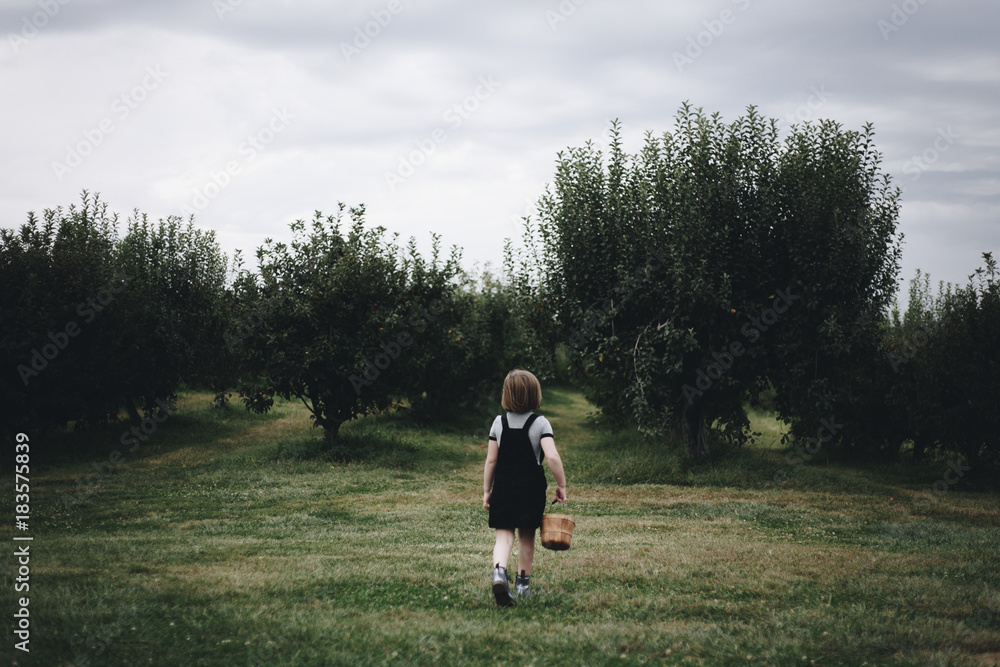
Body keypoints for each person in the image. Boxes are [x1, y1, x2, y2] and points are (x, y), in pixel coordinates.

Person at [483, 369, 567, 607]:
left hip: (504, 485)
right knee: (526, 536)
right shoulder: (540, 423)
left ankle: (499, 573)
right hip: (530, 487)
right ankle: (522, 584)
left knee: (503, 536)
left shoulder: (498, 422)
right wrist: (561, 484)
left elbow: (491, 461)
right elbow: (551, 456)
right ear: (535, 394)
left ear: (506, 395)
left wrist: (487, 490)